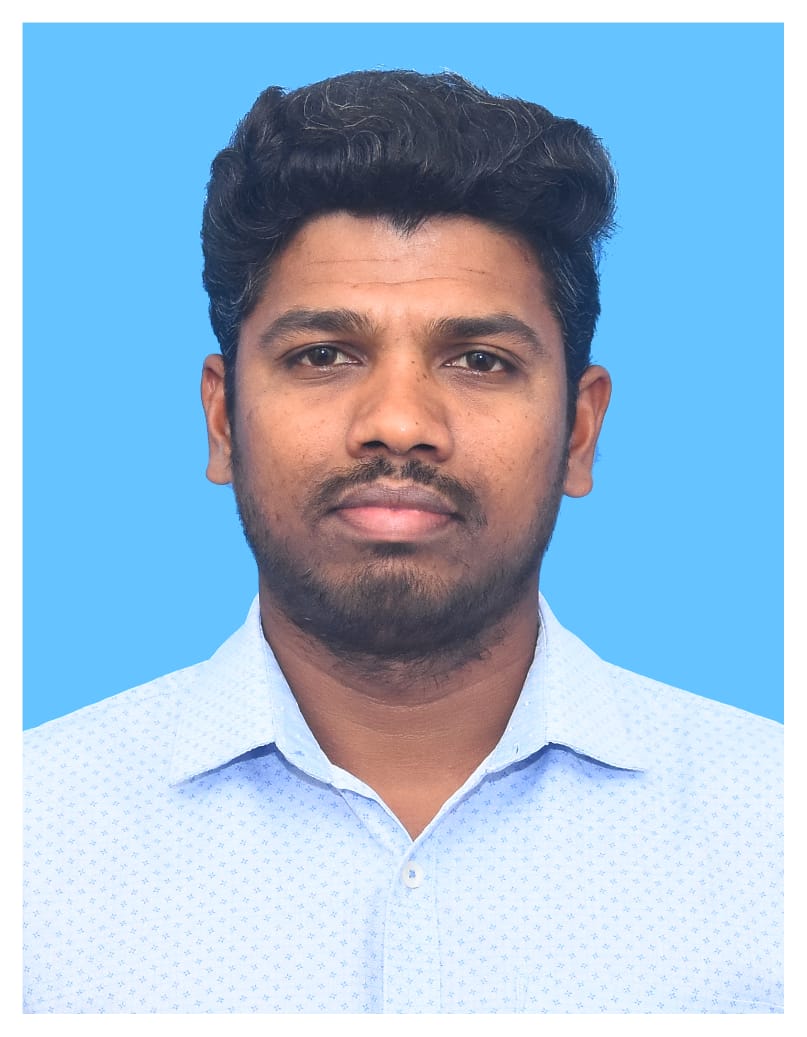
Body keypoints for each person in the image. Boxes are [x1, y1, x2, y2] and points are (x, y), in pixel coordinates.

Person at [23, 70, 783, 1015]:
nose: (398, 422)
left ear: (578, 434)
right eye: (322, 355)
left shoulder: (774, 831)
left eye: (479, 360)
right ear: (221, 420)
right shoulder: (32, 838)